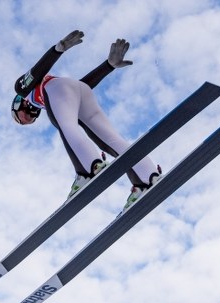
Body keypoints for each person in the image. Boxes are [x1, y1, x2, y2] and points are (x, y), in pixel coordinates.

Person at [11, 30, 160, 211]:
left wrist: (57, 50)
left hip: (59, 88)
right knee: (109, 139)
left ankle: (90, 167)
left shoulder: (23, 90)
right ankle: (148, 176)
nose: (29, 118)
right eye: (29, 121)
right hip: (81, 90)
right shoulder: (44, 100)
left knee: (66, 126)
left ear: (19, 105)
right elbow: (79, 88)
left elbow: (36, 72)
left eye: (22, 118)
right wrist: (108, 66)